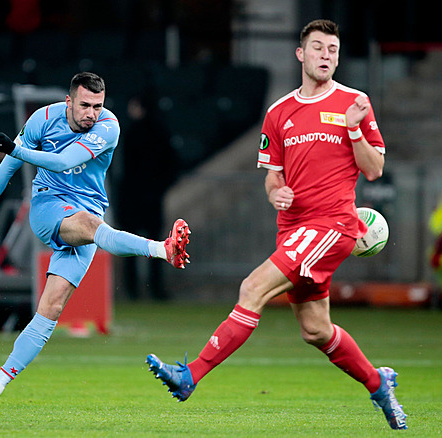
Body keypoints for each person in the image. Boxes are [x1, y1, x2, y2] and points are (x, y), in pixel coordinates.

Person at [146, 20, 407, 431]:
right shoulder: (278, 112)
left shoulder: (355, 102)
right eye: (318, 48)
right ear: (301, 54)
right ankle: (379, 383)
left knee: (252, 287)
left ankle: (189, 375)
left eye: (333, 50)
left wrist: (354, 127)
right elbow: (272, 176)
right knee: (316, 331)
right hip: (293, 228)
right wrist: (276, 193)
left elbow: (374, 169)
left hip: (332, 225)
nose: (326, 55)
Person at [0, 72, 190, 417]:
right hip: (48, 206)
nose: (91, 113)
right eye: (84, 105)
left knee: (50, 309)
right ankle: (163, 250)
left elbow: (65, 161)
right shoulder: (43, 119)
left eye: (98, 106)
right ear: (69, 101)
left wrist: (16, 148)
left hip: (86, 217)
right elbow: (8, 168)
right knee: (91, 225)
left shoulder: (108, 127)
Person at [116, 92, 176, 300]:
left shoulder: (132, 132)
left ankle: (131, 289)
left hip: (132, 197)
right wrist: (159, 188)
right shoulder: (162, 131)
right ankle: (156, 289)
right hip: (153, 197)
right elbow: (171, 165)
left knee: (130, 245)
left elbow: (126, 168)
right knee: (157, 245)